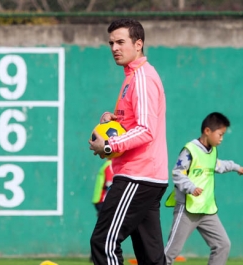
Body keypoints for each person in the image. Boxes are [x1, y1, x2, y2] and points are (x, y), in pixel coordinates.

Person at [89, 18, 168, 265]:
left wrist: (110, 145)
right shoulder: (131, 77)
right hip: (146, 176)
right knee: (151, 258)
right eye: (111, 42)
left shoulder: (142, 77)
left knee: (104, 242)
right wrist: (112, 122)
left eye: (121, 42)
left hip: (138, 175)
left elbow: (146, 130)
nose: (114, 47)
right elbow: (135, 123)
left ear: (138, 44)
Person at [164, 112, 243, 265]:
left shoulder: (212, 151)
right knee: (170, 252)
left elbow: (218, 165)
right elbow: (177, 173)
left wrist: (236, 167)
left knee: (222, 245)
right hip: (187, 209)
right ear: (207, 131)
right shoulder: (190, 150)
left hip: (206, 210)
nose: (221, 139)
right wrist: (191, 187)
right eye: (220, 134)